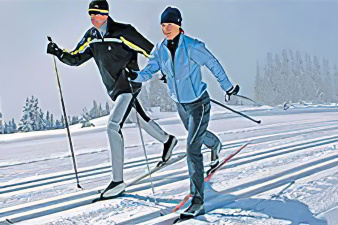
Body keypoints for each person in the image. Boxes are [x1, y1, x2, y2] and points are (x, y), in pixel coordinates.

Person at [46, 0, 178, 199]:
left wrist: (165, 70)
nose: (93, 18)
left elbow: (151, 51)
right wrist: (58, 52)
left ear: (105, 15)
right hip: (114, 89)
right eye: (91, 14)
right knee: (139, 118)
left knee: (113, 126)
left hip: (129, 84)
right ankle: (168, 141)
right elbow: (75, 58)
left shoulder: (123, 32)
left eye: (97, 14)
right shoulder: (91, 37)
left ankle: (117, 181)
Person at [127, 6, 240, 218]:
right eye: (163, 25)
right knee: (195, 135)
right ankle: (214, 144)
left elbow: (213, 64)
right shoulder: (159, 49)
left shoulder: (192, 46)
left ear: (179, 25)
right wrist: (135, 76)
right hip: (180, 104)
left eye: (170, 24)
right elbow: (150, 70)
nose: (166, 28)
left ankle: (197, 201)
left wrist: (227, 86)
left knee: (192, 148)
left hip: (199, 104)